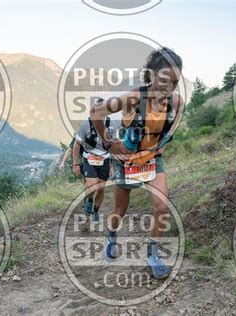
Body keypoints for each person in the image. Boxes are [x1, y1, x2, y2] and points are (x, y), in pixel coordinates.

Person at [89, 47, 184, 279]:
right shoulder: (133, 98)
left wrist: (166, 141)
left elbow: (178, 116)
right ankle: (111, 235)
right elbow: (95, 113)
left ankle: (153, 254)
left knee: (161, 207)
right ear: (151, 74)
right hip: (127, 162)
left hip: (152, 160)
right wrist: (110, 144)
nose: (168, 87)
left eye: (174, 82)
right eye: (164, 79)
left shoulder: (176, 101)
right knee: (120, 209)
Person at [74, 104, 112, 223]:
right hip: (89, 158)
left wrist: (112, 165)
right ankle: (89, 199)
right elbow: (76, 144)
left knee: (101, 188)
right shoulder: (86, 124)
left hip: (104, 159)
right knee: (92, 185)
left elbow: (115, 146)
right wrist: (75, 164)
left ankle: (95, 211)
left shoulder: (111, 125)